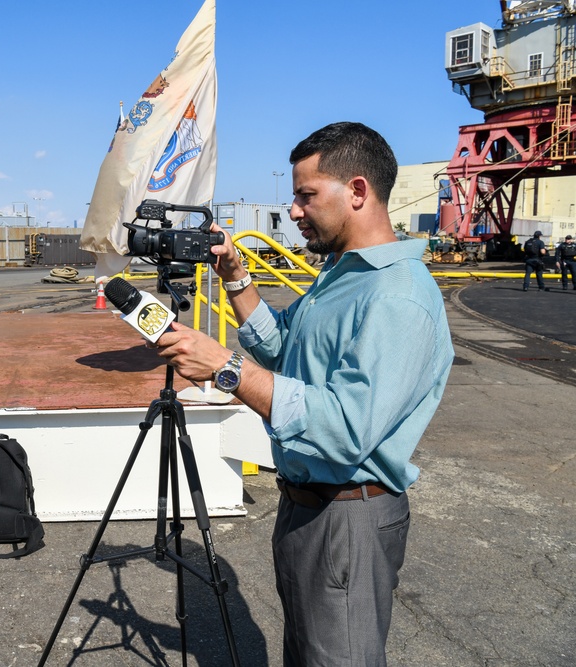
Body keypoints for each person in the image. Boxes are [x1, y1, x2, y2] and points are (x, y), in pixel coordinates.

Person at [154, 122, 454, 666]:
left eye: (306, 195)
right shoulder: (341, 274)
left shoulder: (398, 297)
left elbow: (343, 429)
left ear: (358, 191)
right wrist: (238, 280)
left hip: (349, 518)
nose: (293, 210)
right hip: (304, 507)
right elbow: (283, 349)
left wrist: (225, 368)